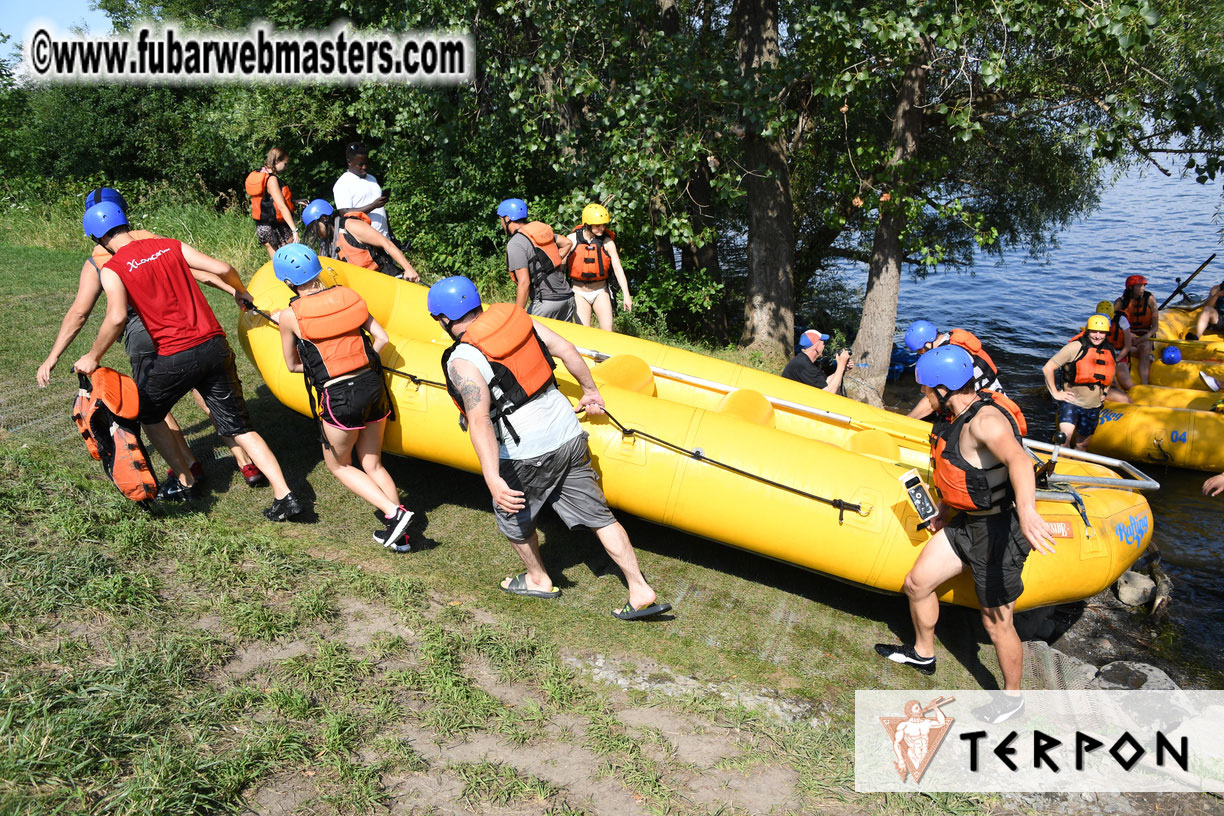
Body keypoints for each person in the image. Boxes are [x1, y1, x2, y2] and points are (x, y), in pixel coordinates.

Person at [427, 276, 670, 619]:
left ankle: (539, 579)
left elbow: (479, 420)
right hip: (568, 433)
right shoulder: (516, 318)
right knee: (601, 518)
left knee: (513, 518)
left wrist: (493, 478)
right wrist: (590, 391)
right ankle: (640, 588)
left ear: (445, 319)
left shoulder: (462, 359)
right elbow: (567, 349)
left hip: (527, 452)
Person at [73, 201, 303, 521]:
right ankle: (285, 494)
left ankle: (185, 480)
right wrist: (238, 291)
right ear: (128, 223)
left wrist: (92, 355)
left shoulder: (112, 268)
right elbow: (221, 268)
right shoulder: (170, 245)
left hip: (174, 355)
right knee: (239, 427)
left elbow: (114, 318)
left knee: (150, 413)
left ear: (98, 239)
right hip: (214, 345)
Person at [38, 188, 266, 488]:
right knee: (209, 393)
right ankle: (245, 461)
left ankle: (187, 468)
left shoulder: (98, 261)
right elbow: (199, 271)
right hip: (189, 328)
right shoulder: (151, 239)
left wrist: (53, 356)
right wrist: (236, 291)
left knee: (155, 406)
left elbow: (80, 313)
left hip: (144, 337)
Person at [876, 345, 1055, 720]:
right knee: (917, 583)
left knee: (997, 622)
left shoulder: (985, 421)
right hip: (965, 522)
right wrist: (944, 509)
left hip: (998, 531)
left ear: (944, 388)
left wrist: (1027, 511)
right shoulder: (951, 416)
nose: (922, 396)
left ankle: (1012, 699)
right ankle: (924, 654)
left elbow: (1019, 460)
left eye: (926, 390)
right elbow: (967, 475)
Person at [273, 244, 416, 551]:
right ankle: (401, 538)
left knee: (339, 466)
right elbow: (382, 339)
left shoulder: (289, 317)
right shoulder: (350, 297)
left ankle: (394, 514)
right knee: (373, 463)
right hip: (373, 386)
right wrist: (359, 362)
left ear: (288, 282)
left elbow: (293, 365)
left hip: (340, 399)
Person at [1042, 313, 1118, 448]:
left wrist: (1105, 393)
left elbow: (1109, 374)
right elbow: (1048, 368)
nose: (1097, 335)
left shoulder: (1109, 350)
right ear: (1087, 331)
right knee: (1064, 437)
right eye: (1094, 331)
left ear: (1106, 333)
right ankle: (1060, 466)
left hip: (1093, 406)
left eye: (1101, 332)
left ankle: (1077, 464)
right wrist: (1055, 393)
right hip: (1071, 402)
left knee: (1082, 443)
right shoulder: (1074, 348)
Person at [496, 198, 577, 322]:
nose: (501, 224)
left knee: (528, 336)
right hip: (567, 298)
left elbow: (524, 283)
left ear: (507, 219)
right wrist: (552, 261)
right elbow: (567, 243)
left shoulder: (515, 243)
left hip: (546, 301)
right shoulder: (538, 233)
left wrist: (517, 315)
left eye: (501, 219)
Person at [903, 320, 1004, 419]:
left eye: (920, 350)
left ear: (927, 343)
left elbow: (934, 398)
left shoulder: (947, 358)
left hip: (986, 405)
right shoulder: (951, 341)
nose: (921, 354)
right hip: (996, 394)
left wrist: (907, 420)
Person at [299, 198, 418, 280]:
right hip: (363, 287)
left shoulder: (351, 226)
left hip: (385, 276)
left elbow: (386, 243)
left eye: (314, 227)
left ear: (324, 218)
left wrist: (408, 269)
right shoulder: (325, 245)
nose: (314, 232)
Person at [563, 203, 633, 330]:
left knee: (608, 331)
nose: (602, 228)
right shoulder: (571, 240)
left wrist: (626, 295)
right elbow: (560, 266)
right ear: (586, 225)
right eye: (597, 226)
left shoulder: (608, 243)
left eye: (604, 225)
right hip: (579, 292)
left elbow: (618, 269)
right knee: (584, 333)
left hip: (600, 291)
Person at [245, 147, 299, 259]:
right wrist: (294, 230)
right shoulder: (271, 179)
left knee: (277, 263)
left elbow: (268, 201)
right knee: (289, 260)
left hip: (262, 227)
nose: (286, 167)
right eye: (285, 164)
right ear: (277, 161)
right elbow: (281, 206)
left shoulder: (260, 174)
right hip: (275, 229)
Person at [333, 142, 392, 240]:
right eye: (360, 164)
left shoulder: (372, 178)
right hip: (364, 243)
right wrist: (373, 206)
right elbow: (344, 213)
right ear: (349, 162)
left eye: (366, 163)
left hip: (385, 239)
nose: (364, 167)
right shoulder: (343, 183)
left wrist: (392, 236)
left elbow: (381, 211)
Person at [1114, 274, 1159, 385]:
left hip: (1144, 335)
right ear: (1131, 288)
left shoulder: (1150, 299)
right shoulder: (1120, 302)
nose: (1143, 288)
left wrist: (1141, 339)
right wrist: (1128, 335)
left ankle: (1145, 383)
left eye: (1143, 285)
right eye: (1139, 286)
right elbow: (1113, 324)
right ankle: (1146, 357)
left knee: (1145, 347)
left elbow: (1155, 327)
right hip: (1126, 334)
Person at [781, 329, 853, 393]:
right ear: (816, 346)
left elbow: (825, 383)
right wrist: (841, 364)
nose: (824, 345)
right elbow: (829, 393)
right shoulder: (803, 365)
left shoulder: (802, 361)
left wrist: (843, 368)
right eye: (823, 342)